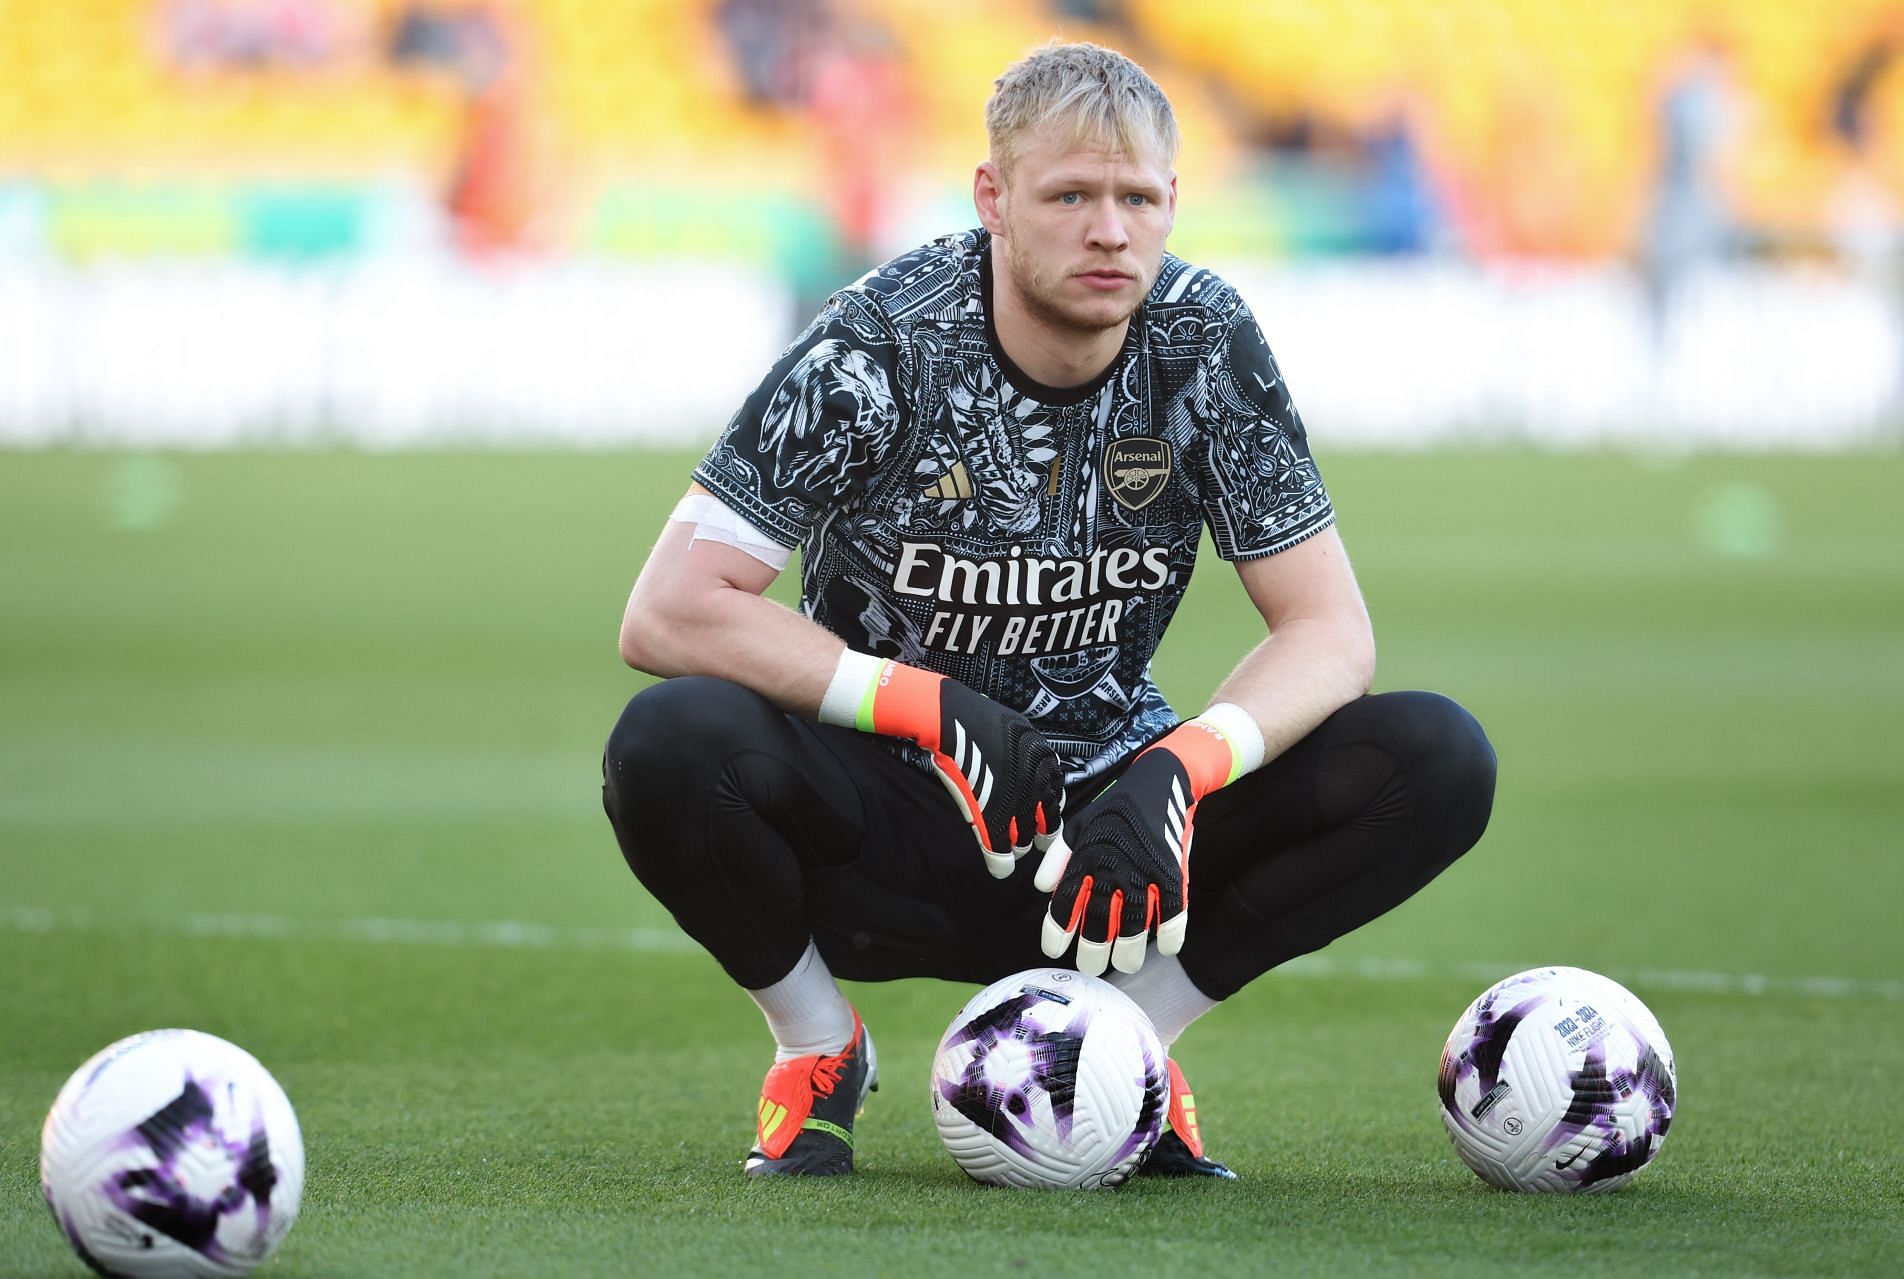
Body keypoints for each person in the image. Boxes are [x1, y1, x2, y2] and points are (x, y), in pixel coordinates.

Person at [602, 40, 1496, 1180]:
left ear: (1175, 204)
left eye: (1137, 198)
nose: (1109, 230)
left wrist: (1181, 769)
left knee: (1434, 756)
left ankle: (1128, 1042)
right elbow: (669, 610)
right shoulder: (876, 344)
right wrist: (924, 705)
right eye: (1070, 195)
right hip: (893, 824)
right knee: (670, 743)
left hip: (1113, 851)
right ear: (995, 199)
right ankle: (819, 1046)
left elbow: (1330, 631)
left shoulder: (1203, 342)